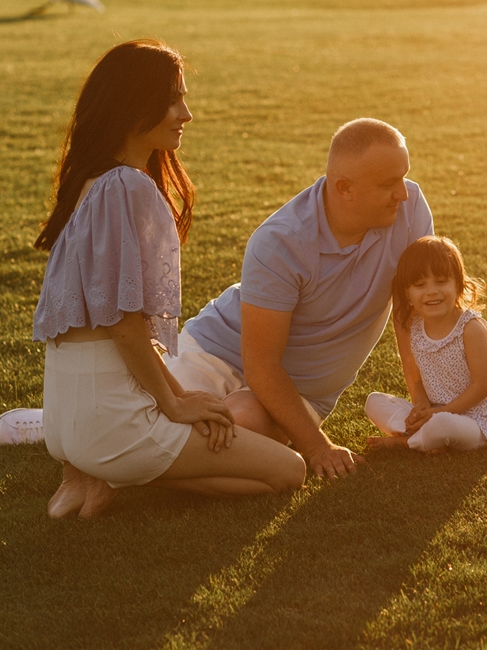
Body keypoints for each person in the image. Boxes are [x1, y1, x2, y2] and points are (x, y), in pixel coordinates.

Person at [20, 39, 304, 519]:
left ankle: (104, 471)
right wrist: (173, 408)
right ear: (135, 105)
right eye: (174, 99)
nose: (186, 113)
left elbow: (113, 325)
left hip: (69, 423)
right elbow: (126, 325)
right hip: (109, 421)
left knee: (212, 427)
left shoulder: (90, 182)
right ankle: (118, 471)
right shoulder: (127, 186)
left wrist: (180, 394)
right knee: (289, 470)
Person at [170, 118, 433, 479]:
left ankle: (142, 467)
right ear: (345, 188)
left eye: (403, 177)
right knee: (144, 420)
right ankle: (123, 467)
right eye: (388, 184)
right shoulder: (282, 241)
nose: (403, 193)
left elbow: (411, 313)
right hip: (214, 353)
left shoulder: (411, 210)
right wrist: (318, 448)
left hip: (298, 391)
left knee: (236, 428)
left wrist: (421, 398)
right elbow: (261, 363)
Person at [364, 236, 487, 453]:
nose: (432, 291)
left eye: (441, 281)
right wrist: (421, 405)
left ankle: (407, 442)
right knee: (374, 402)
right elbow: (415, 381)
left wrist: (440, 414)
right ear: (407, 293)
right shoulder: (414, 327)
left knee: (443, 425)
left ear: (458, 284)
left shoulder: (470, 328)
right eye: (420, 285)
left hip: (475, 422)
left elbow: (482, 386)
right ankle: (428, 437)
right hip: (434, 414)